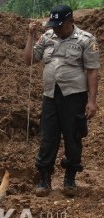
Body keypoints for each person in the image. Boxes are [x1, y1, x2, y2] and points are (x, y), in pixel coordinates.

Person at [24, 5, 100, 197]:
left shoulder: (86, 39)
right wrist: (31, 36)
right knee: (48, 137)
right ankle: (44, 179)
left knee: (73, 137)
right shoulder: (48, 37)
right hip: (50, 95)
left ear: (70, 21)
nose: (56, 28)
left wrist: (92, 101)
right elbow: (29, 60)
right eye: (54, 25)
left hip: (74, 96)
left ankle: (70, 177)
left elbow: (92, 71)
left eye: (60, 25)